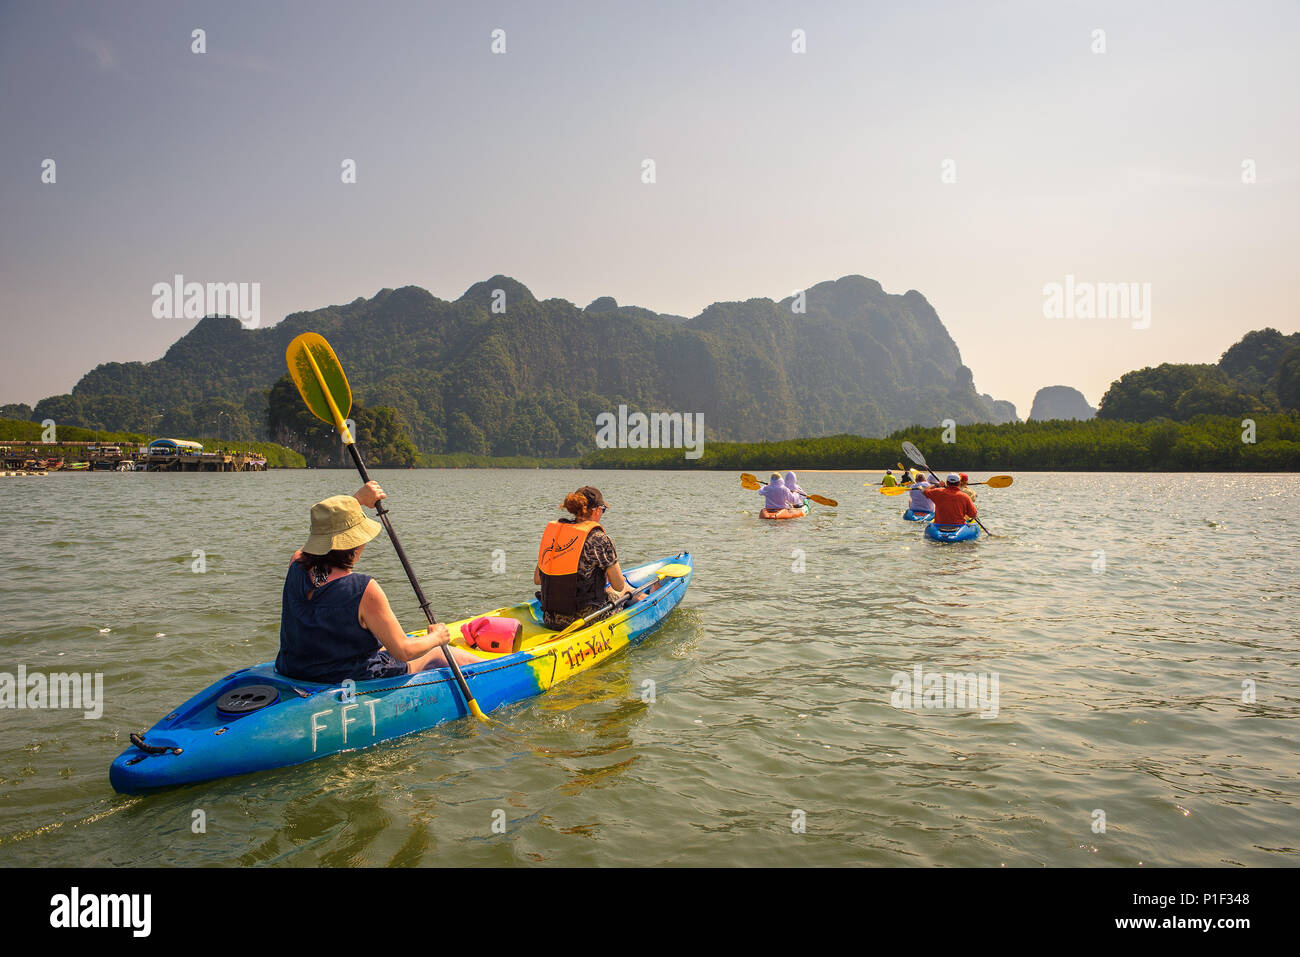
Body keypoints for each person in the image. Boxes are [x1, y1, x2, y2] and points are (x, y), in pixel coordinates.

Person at [277, 482, 480, 684]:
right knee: (440, 654)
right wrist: (438, 637)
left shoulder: (296, 563)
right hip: (352, 678)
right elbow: (403, 651)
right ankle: (509, 670)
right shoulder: (363, 589)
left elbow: (320, 539)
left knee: (382, 645)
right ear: (354, 544)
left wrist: (357, 501)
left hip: (295, 670)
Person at [535, 485, 634, 630]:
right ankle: (646, 599)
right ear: (597, 510)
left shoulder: (555, 535)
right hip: (584, 620)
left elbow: (538, 579)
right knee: (623, 589)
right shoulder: (599, 539)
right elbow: (617, 585)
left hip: (550, 618)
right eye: (603, 510)